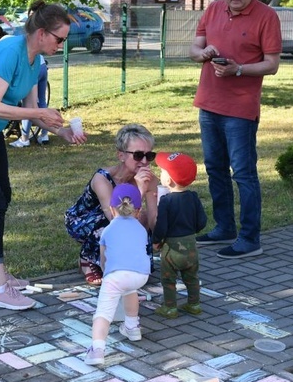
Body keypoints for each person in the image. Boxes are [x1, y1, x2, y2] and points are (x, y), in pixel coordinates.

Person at [0, 0, 87, 310]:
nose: (61, 45)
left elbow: (30, 111)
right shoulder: (8, 51)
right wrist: (40, 111)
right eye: (59, 39)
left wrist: (62, 132)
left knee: (4, 196)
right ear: (41, 33)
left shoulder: (34, 62)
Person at [189, 0, 281, 259]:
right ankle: (224, 227)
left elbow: (272, 64)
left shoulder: (267, 17)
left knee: (243, 173)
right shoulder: (213, 9)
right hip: (209, 103)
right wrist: (204, 53)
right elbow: (194, 49)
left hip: (240, 109)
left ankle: (250, 238)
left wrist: (238, 69)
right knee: (215, 169)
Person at [65, 123, 159, 285]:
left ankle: (127, 263)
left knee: (141, 219)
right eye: (137, 155)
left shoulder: (149, 179)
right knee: (108, 220)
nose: (144, 161)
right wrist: (140, 192)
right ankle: (87, 260)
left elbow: (152, 220)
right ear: (121, 156)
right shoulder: (103, 179)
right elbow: (115, 219)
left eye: (149, 156)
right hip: (85, 221)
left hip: (117, 219)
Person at [83, 184, 151, 365]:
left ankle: (97, 350)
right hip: (141, 275)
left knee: (103, 313)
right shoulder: (141, 229)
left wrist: (106, 274)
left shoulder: (108, 230)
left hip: (116, 275)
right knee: (130, 290)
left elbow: (104, 258)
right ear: (138, 211)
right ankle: (132, 327)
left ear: (112, 209)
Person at [151, 152, 207, 319]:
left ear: (168, 180)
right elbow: (202, 221)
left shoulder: (166, 201)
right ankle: (194, 304)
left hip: (172, 248)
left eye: (162, 171)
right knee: (191, 277)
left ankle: (170, 307)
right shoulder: (193, 197)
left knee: (169, 279)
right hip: (191, 246)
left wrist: (156, 241)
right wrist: (192, 230)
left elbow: (162, 226)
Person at [8, 55, 49, 147]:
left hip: (32, 69)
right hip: (42, 65)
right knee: (42, 101)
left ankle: (24, 139)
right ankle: (44, 135)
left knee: (28, 105)